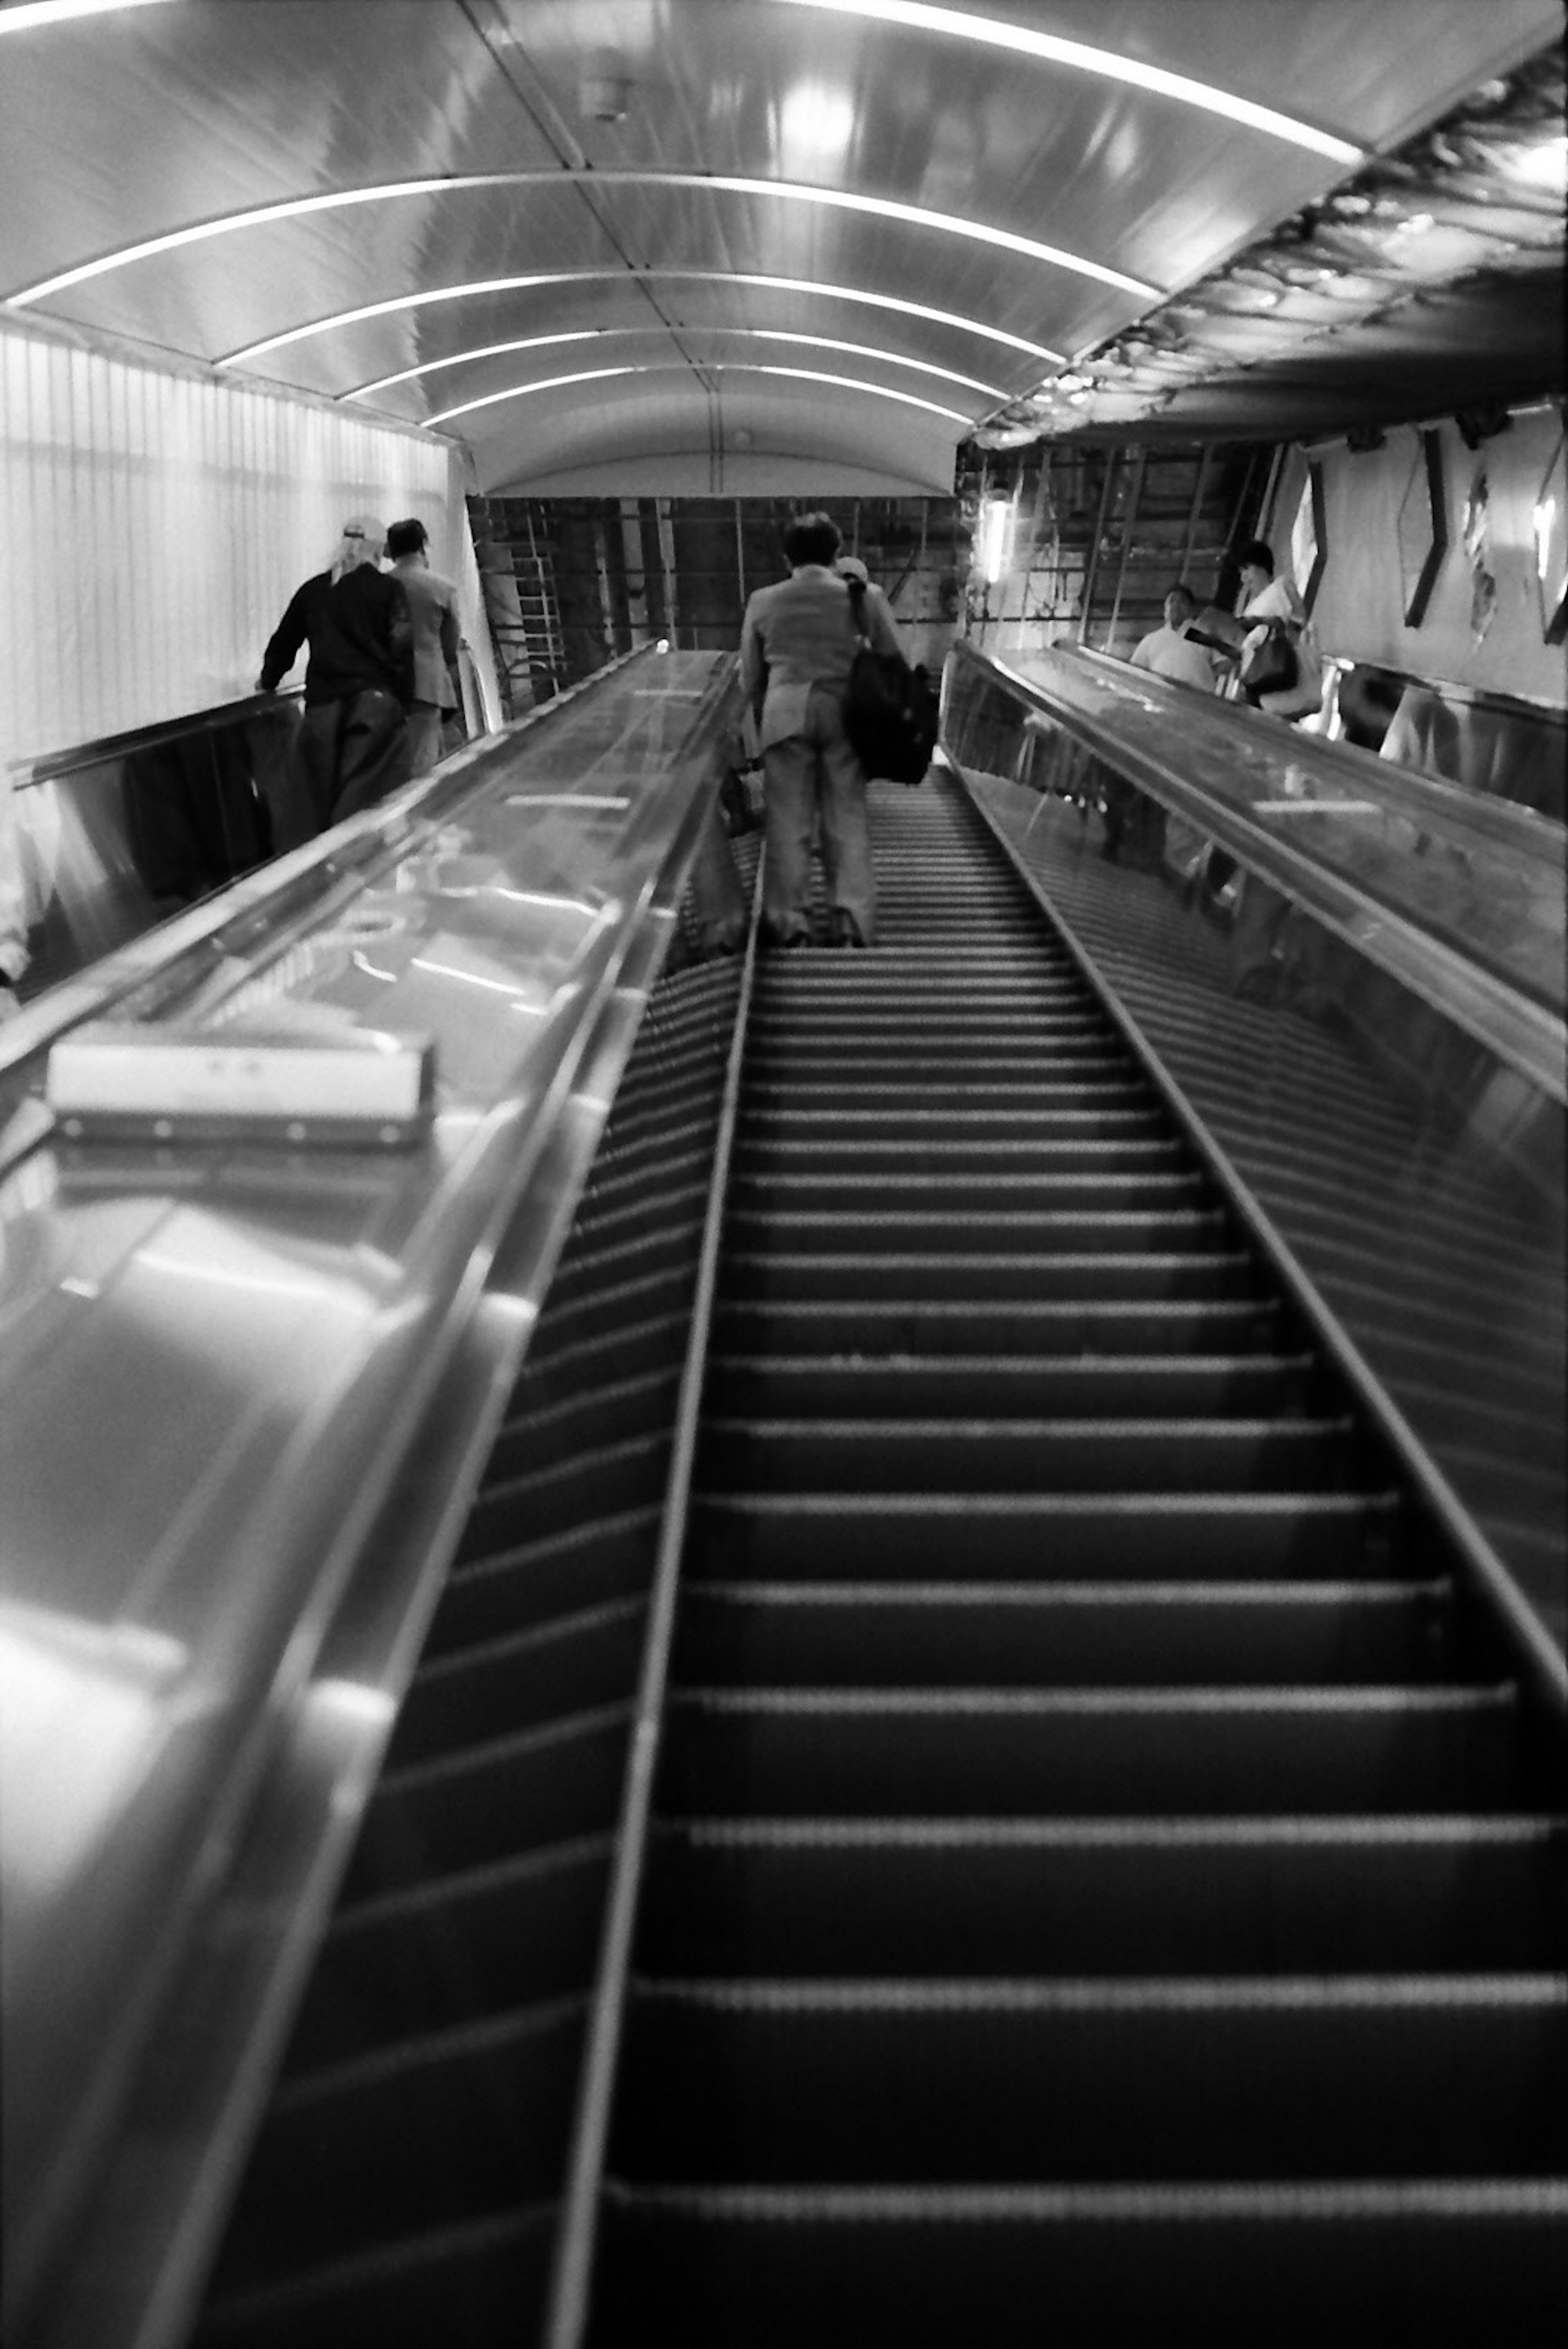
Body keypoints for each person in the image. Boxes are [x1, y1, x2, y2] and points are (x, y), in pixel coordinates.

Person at [739, 510, 902, 949]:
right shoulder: (865, 596)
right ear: (836, 553)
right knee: (846, 819)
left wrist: (737, 736)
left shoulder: (763, 600)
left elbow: (749, 676)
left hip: (785, 711)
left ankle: (791, 924)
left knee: (788, 824)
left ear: (786, 556)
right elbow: (894, 659)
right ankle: (850, 926)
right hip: (845, 712)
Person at [258, 516, 412, 834]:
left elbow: (284, 642)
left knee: (316, 803)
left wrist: (268, 681)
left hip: (323, 708)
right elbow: (403, 649)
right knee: (361, 803)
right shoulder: (388, 589)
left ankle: (318, 869)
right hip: (374, 706)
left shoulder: (314, 590)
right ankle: (351, 869)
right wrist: (404, 702)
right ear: (375, 551)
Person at [387, 518, 461, 777]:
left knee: (391, 763)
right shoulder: (443, 588)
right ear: (422, 546)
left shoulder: (379, 587)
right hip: (427, 686)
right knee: (422, 763)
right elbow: (451, 645)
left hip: (385, 688)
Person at [1231, 538, 1323, 721]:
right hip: (1262, 684)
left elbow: (1297, 623)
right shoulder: (1251, 607)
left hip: (1285, 675)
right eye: (1241, 572)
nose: (1244, 578)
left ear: (1262, 566)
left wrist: (1262, 622)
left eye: (1247, 569)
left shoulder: (1282, 586)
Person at [1127, 584, 1220, 690]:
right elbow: (1133, 672)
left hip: (1197, 699)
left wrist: (1205, 674)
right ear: (1165, 610)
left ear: (1192, 609)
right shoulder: (1151, 640)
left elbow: (1227, 663)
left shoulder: (1207, 635)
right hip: (1161, 697)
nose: (1176, 605)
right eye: (1172, 602)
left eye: (1182, 602)